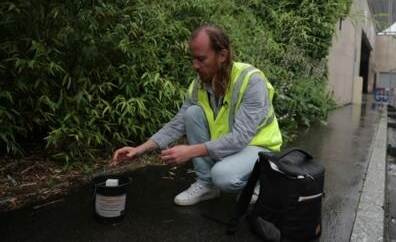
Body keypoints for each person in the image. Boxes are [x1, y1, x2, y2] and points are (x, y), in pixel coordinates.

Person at [111, 24, 282, 206]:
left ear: (222, 56)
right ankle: (206, 185)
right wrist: (140, 149)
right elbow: (178, 123)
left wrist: (191, 151)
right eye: (193, 59)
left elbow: (240, 137)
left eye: (201, 59)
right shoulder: (199, 84)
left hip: (259, 147)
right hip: (229, 145)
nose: (195, 65)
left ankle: (260, 182)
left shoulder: (251, 81)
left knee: (223, 176)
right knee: (192, 113)